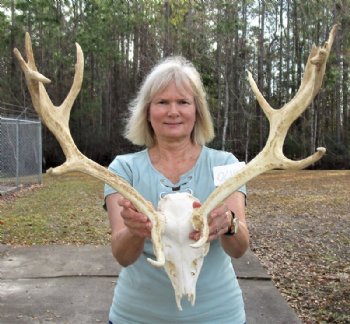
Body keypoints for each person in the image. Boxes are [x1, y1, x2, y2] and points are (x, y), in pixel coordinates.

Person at [104, 56, 249, 323]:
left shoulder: (225, 165)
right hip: (136, 317)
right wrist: (136, 232)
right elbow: (122, 255)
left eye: (183, 102)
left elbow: (239, 249)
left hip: (218, 316)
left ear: (197, 111)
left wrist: (228, 224)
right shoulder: (123, 170)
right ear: (148, 111)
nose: (173, 111)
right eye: (162, 102)